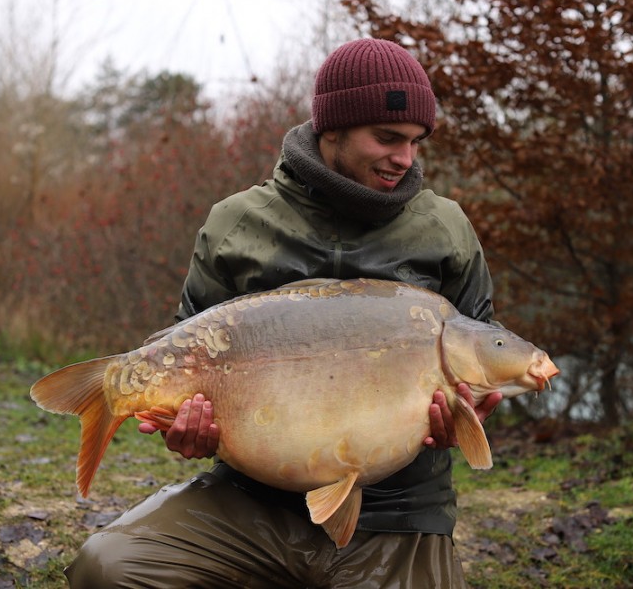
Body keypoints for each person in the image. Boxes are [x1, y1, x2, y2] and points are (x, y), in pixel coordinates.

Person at [65, 37, 503, 588]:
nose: (404, 159)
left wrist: (476, 406)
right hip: (250, 499)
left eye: (416, 142)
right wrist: (185, 428)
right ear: (332, 129)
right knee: (108, 570)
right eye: (387, 138)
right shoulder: (236, 224)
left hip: (400, 511)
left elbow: (484, 339)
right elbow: (183, 349)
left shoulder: (445, 228)